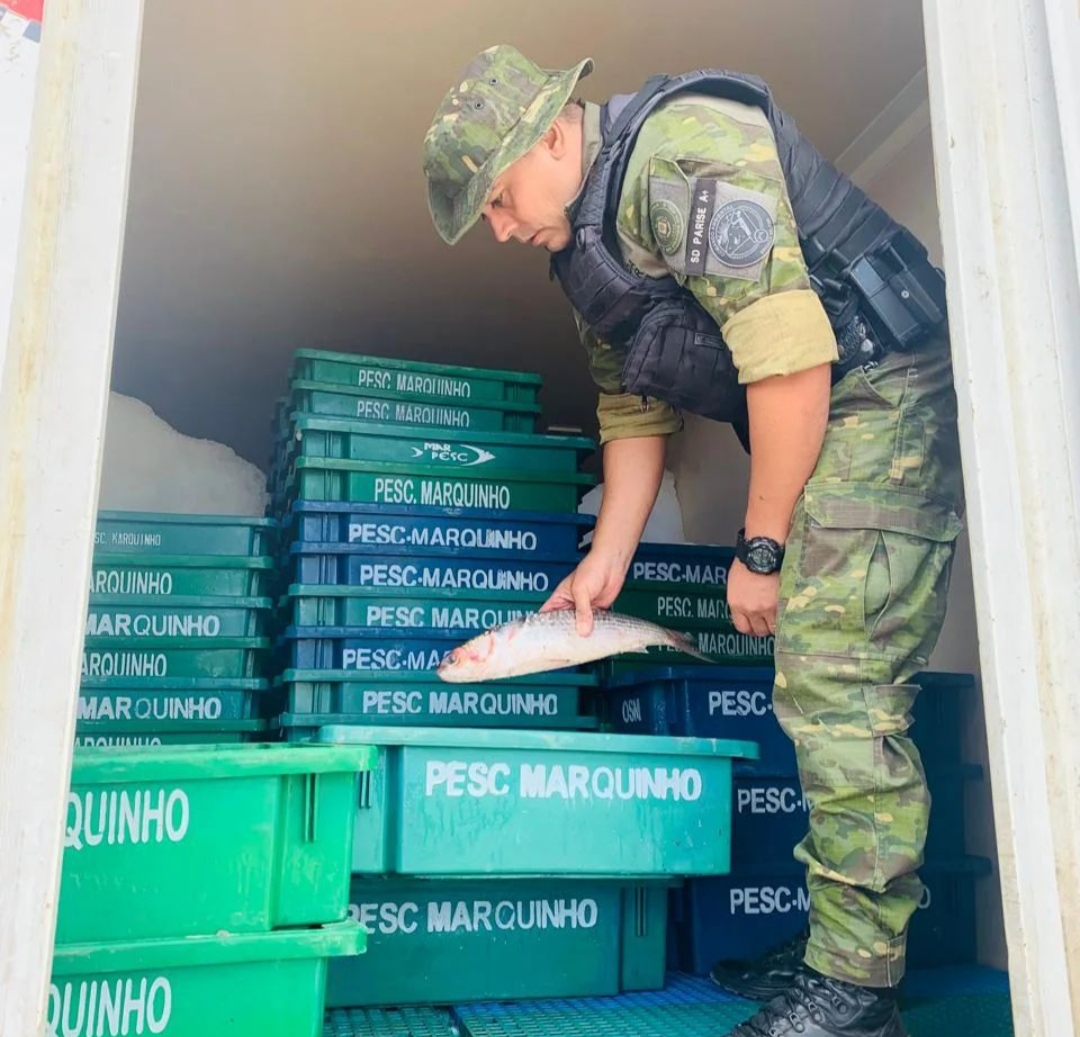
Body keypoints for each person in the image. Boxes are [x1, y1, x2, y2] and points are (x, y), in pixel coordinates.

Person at [421, 44, 964, 1037]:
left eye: (496, 199)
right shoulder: (582, 252)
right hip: (825, 411)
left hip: (881, 393)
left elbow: (792, 356)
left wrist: (759, 548)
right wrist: (605, 560)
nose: (499, 230)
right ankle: (842, 948)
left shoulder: (682, 152)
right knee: (818, 681)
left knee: (835, 676)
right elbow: (631, 411)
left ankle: (855, 993)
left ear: (551, 134)